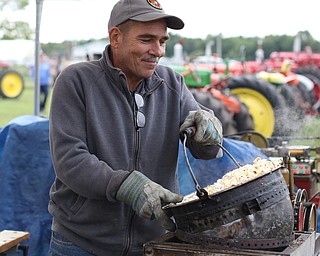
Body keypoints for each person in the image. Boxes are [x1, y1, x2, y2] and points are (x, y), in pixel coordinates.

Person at [47, 0, 223, 255]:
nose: (158, 51)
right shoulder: (76, 81)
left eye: (163, 41)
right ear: (116, 37)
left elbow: (206, 150)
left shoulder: (172, 83)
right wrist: (125, 185)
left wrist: (209, 133)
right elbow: (70, 160)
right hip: (81, 242)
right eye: (146, 39)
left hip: (154, 242)